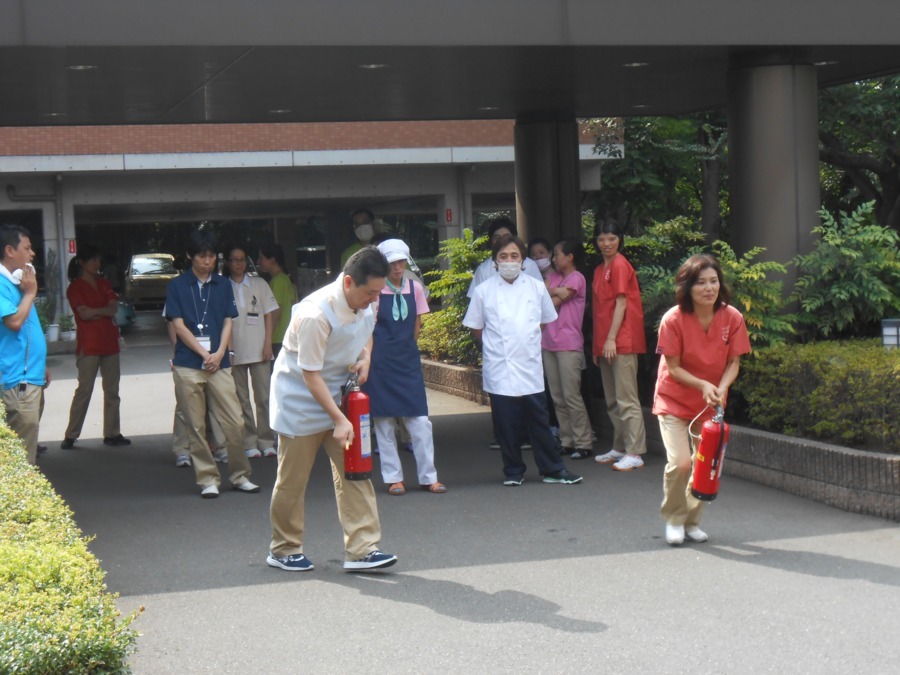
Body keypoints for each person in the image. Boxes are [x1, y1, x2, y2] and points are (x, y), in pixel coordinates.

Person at [267, 246, 397, 572]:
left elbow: (366, 333)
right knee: (292, 481)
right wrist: (339, 420)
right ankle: (284, 549)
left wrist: (366, 357)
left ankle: (362, 549)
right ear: (349, 282)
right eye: (370, 293)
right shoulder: (315, 315)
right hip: (300, 402)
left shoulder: (367, 299)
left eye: (378, 293)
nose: (374, 299)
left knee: (356, 471)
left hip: (340, 397)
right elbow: (310, 375)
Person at [463, 233, 582, 487]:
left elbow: (544, 320)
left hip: (529, 364)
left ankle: (553, 469)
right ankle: (513, 470)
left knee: (539, 420)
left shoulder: (536, 287)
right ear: (495, 261)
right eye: (503, 256)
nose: (509, 261)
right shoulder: (484, 291)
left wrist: (524, 340)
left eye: (514, 256)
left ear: (523, 260)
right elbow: (476, 328)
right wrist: (497, 346)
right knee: (506, 423)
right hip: (500, 365)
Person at [654, 254, 751, 545]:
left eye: (714, 281)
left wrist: (720, 388)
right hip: (673, 399)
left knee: (706, 465)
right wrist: (703, 384)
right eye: (700, 283)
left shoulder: (732, 317)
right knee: (681, 462)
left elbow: (734, 362)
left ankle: (692, 521)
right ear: (687, 287)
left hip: (711, 403)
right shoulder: (673, 319)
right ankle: (674, 519)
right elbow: (673, 368)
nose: (709, 288)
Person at [165, 228, 259, 498]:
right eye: (202, 256)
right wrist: (205, 354)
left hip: (219, 362)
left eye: (211, 256)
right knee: (195, 425)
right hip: (188, 363)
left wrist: (219, 353)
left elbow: (229, 320)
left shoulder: (223, 284)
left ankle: (240, 475)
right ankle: (207, 479)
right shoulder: (177, 286)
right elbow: (178, 325)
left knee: (235, 421)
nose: (207, 261)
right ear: (190, 256)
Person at [363, 238, 445, 495]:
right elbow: (368, 327)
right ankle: (393, 478)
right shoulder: (376, 291)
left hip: (407, 360)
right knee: (384, 422)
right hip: (380, 361)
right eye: (392, 263)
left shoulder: (415, 287)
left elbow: (417, 322)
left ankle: (429, 476)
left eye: (401, 262)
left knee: (420, 422)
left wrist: (408, 347)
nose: (397, 268)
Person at [591, 218, 648, 471]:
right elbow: (600, 310)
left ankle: (635, 452)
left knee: (626, 398)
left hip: (621, 340)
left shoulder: (620, 264)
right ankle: (620, 446)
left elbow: (621, 303)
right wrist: (599, 345)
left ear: (620, 240)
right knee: (613, 399)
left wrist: (611, 338)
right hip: (607, 342)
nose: (607, 243)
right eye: (602, 239)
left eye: (612, 238)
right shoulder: (599, 269)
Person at [60, 244, 130, 449]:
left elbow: (112, 309)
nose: (97, 263)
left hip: (109, 342)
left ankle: (112, 433)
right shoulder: (75, 287)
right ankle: (71, 434)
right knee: (85, 389)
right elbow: (84, 314)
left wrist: (95, 311)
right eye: (93, 260)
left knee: (112, 390)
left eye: (98, 260)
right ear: (82, 263)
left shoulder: (103, 282)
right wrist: (102, 310)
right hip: (89, 344)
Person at [224, 244, 280, 459]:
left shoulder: (259, 283)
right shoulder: (222, 286)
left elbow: (270, 314)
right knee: (242, 399)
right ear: (227, 263)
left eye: (242, 259)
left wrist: (268, 343)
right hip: (235, 350)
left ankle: (266, 440)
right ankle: (249, 441)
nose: (239, 264)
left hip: (259, 348)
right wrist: (227, 350)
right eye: (234, 259)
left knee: (264, 397)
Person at [0, 224, 48, 465]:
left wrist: (40, 364)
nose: (32, 253)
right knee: (21, 458)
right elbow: (15, 322)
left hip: (30, 374)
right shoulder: (3, 285)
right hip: (18, 378)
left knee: (27, 445)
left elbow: (29, 328)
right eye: (27, 248)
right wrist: (30, 294)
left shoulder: (16, 283)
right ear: (10, 250)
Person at [542, 239, 594, 459]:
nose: (554, 258)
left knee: (572, 395)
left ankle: (584, 442)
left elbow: (552, 303)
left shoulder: (577, 278)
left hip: (569, 345)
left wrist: (549, 292)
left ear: (570, 257)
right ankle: (567, 440)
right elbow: (544, 298)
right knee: (557, 397)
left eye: (557, 254)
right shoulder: (554, 277)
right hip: (548, 343)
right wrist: (556, 291)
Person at [467, 217, 543, 298]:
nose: (502, 241)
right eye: (497, 238)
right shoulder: (483, 270)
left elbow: (540, 295)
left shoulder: (530, 265)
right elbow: (476, 300)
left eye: (506, 236)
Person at [257, 243, 297, 360]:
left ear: (273, 260)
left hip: (277, 338)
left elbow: (275, 312)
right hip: (287, 336)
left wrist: (267, 339)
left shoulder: (278, 281)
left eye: (261, 258)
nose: (258, 262)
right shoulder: (286, 279)